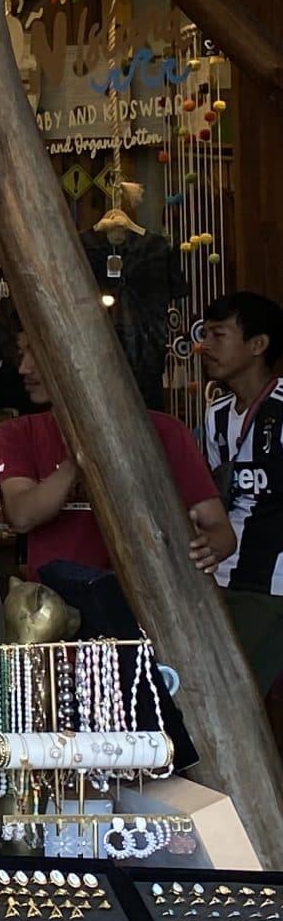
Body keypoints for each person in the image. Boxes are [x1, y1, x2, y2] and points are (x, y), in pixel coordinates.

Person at [0, 337, 233, 586]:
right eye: (21, 353)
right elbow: (22, 516)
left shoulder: (165, 432)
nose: (24, 367)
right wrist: (79, 457)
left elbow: (222, 533)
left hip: (149, 603)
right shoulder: (19, 432)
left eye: (36, 351)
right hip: (54, 613)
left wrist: (208, 548)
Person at [200, 291, 283, 691]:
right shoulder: (215, 415)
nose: (205, 346)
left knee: (233, 694)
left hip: (273, 583)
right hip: (220, 578)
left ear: (258, 345)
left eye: (218, 335)